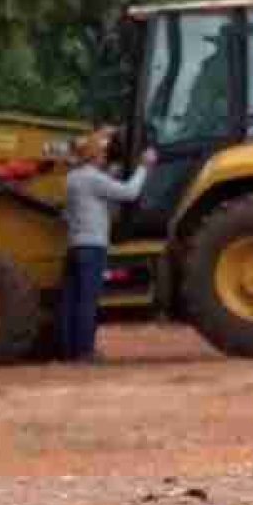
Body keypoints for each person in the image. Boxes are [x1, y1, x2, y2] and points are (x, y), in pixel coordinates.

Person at [60, 131, 157, 362]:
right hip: (93, 247)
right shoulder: (93, 179)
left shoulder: (73, 178)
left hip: (74, 246)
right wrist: (144, 166)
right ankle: (85, 352)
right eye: (102, 152)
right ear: (95, 156)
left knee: (71, 301)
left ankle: (69, 351)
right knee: (88, 301)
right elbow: (129, 193)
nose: (105, 155)